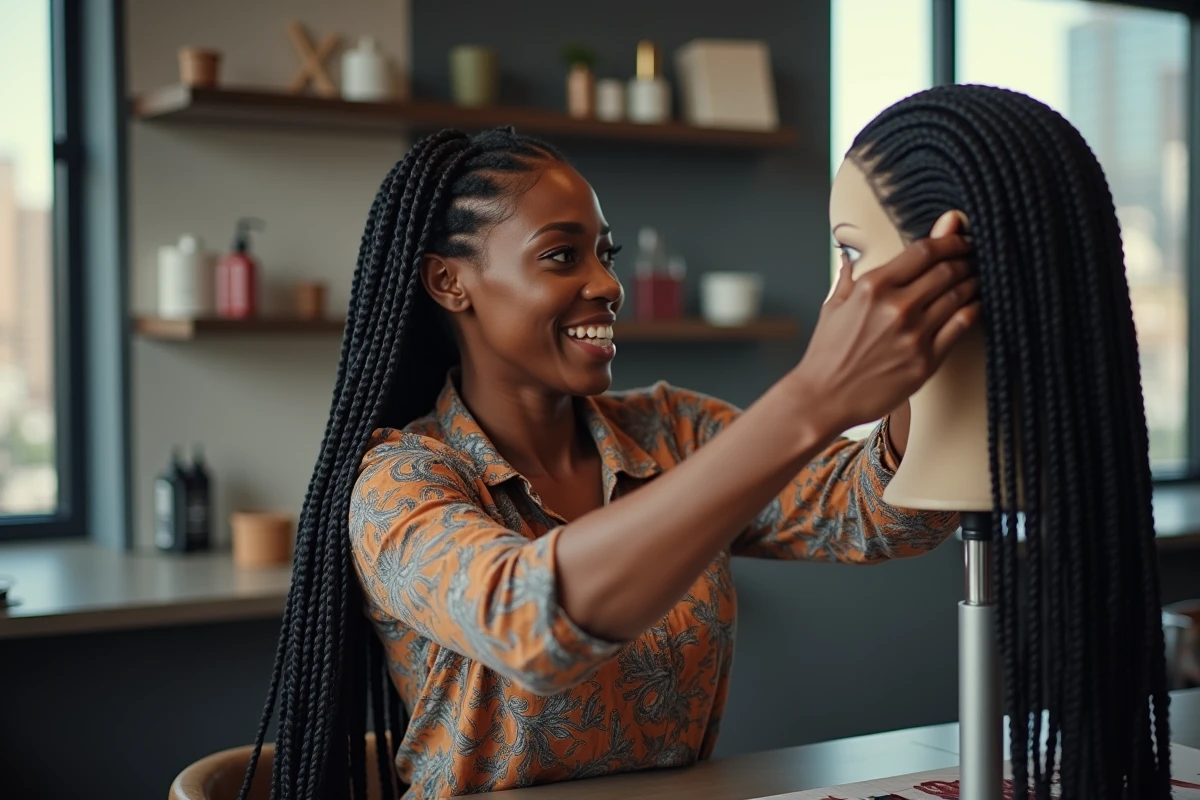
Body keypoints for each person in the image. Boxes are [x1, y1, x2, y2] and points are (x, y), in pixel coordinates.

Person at [240, 127, 978, 800]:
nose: (607, 284)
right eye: (563, 255)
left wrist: (912, 319)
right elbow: (530, 624)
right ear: (449, 282)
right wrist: (811, 400)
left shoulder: (670, 431)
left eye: (605, 254)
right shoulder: (399, 483)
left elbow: (879, 516)